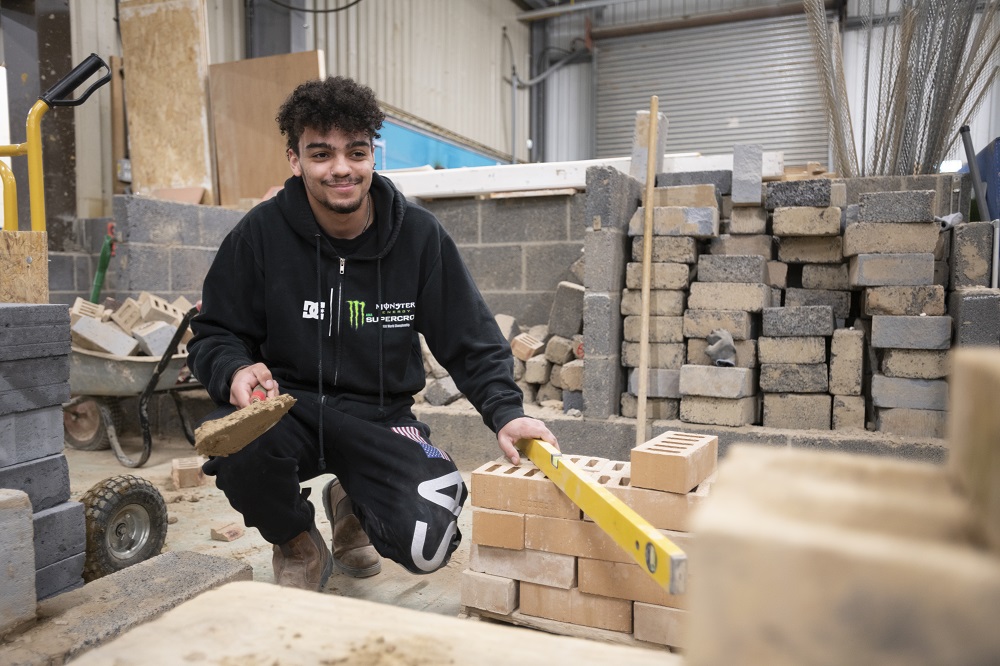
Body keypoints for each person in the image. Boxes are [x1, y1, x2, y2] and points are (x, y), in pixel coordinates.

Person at [187, 76, 557, 591]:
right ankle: (295, 537)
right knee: (232, 443)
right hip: (287, 410)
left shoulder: (419, 237)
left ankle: (350, 500)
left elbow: (468, 337)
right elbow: (213, 333)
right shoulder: (259, 235)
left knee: (429, 544)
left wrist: (507, 412)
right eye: (321, 154)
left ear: (371, 154)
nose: (341, 168)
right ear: (294, 159)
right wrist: (233, 369)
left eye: (355, 152)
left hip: (380, 419)